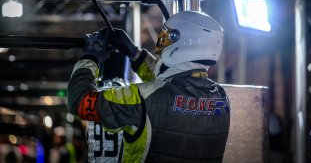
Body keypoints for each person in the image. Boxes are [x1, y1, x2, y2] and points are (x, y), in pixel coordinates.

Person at [68, 11, 230, 162]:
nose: (162, 43)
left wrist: (90, 57)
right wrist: (134, 54)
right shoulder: (221, 98)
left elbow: (79, 101)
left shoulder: (141, 98)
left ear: (181, 40)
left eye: (167, 37)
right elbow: (168, 85)